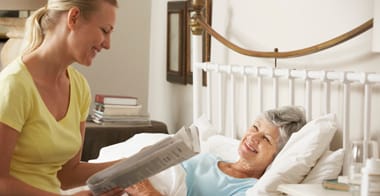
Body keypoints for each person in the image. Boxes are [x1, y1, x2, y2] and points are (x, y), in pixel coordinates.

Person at [0, 0, 126, 195]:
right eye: (104, 30)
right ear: (73, 17)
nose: (107, 44)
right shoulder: (14, 85)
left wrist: (128, 165)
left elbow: (67, 175)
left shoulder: (79, 87)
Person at [125, 106, 307, 196]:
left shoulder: (247, 189)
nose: (253, 138)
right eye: (254, 127)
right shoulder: (209, 157)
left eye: (266, 139)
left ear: (278, 155)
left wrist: (147, 192)